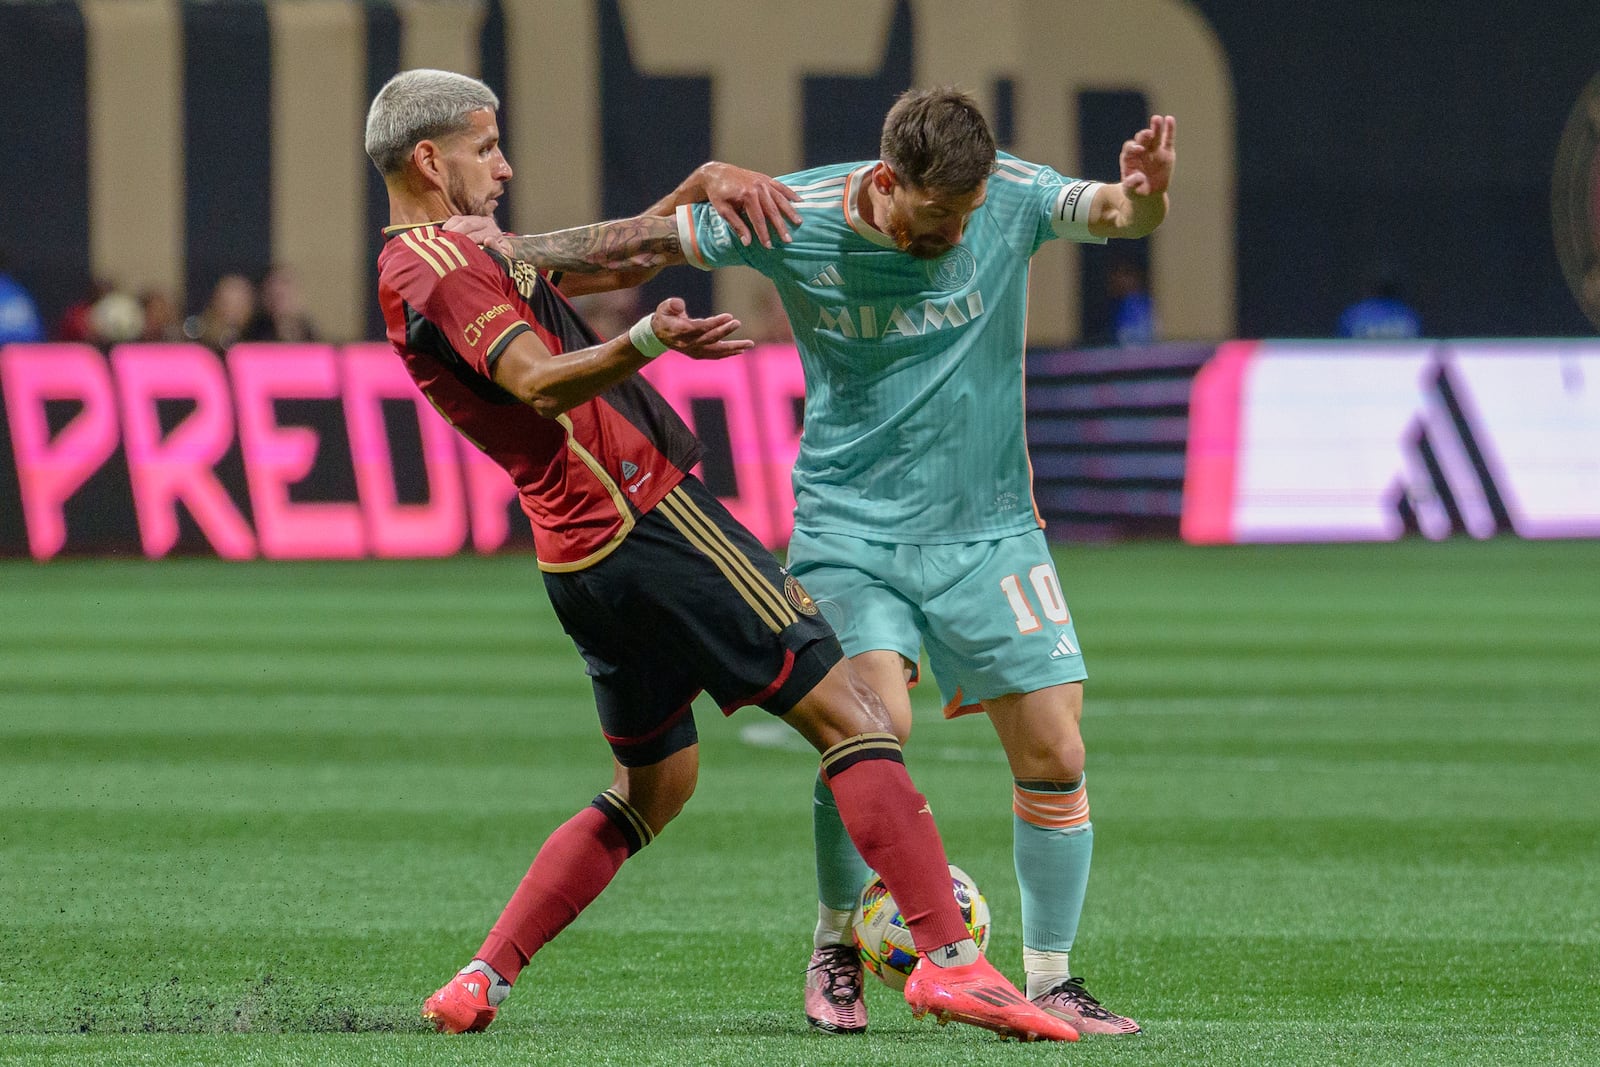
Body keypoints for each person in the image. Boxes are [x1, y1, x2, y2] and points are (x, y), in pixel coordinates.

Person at [364, 68, 1078, 1044]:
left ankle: (483, 974)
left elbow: (601, 270)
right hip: (647, 518)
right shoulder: (434, 265)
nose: (505, 163)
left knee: (656, 786)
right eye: (487, 147)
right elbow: (536, 385)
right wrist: (650, 342)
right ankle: (952, 964)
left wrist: (695, 187)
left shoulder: (452, 256)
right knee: (854, 713)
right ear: (428, 159)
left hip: (577, 558)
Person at [1337, 265, 1422, 339]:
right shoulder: (1409, 316)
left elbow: (1342, 348)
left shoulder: (1353, 315)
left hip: (1362, 357)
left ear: (1370, 288)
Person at [243, 264, 318, 343]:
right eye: (271, 285)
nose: (278, 290)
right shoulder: (249, 341)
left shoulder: (317, 343)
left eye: (285, 283)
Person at [0, 250, 46, 344]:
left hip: (21, 352)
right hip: (26, 352)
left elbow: (34, 333)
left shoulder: (11, 291)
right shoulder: (16, 289)